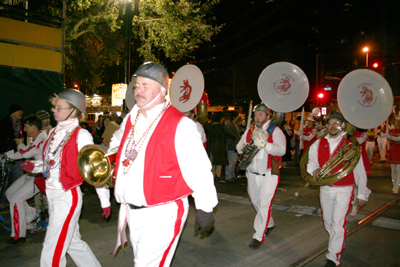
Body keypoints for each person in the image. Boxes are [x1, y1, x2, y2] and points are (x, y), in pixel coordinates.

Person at [108, 62, 218, 267]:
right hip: (132, 210)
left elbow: (199, 169)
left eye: (145, 85)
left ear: (162, 89)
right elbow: (115, 145)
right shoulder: (131, 118)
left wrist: (205, 207)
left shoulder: (180, 124)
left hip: (163, 212)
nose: (138, 90)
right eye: (136, 85)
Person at [22, 89, 110, 267]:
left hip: (67, 196)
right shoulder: (54, 132)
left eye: (59, 108)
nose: (53, 111)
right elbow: (52, 163)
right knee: (71, 242)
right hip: (52, 194)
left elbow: (95, 170)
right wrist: (36, 166)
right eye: (54, 107)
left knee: (52, 247)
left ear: (74, 110)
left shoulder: (82, 135)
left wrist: (105, 200)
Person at [306, 111, 371, 267]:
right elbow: (311, 161)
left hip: (344, 189)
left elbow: (359, 170)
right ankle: (338, 240)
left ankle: (333, 257)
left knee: (337, 223)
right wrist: (314, 170)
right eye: (330, 123)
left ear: (342, 125)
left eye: (336, 123)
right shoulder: (319, 142)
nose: (332, 126)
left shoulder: (351, 144)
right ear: (326, 125)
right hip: (325, 188)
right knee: (328, 223)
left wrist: (362, 193)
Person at [236, 103, 286, 249]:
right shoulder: (250, 130)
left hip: (269, 174)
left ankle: (258, 236)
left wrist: (266, 145)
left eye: (260, 114)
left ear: (268, 116)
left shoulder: (275, 131)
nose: (257, 117)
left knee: (264, 204)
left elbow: (282, 150)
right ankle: (269, 223)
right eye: (256, 114)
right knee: (256, 202)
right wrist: (243, 146)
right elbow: (239, 147)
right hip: (252, 173)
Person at [2, 114, 47, 244]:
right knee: (10, 194)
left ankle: (18, 235)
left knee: (16, 199)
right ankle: (31, 214)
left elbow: (26, 152)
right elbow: (24, 151)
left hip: (40, 176)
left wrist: (20, 144)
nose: (25, 129)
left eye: (26, 127)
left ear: (33, 126)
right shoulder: (34, 139)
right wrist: (6, 155)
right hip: (32, 174)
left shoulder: (42, 139)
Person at [0, 104, 25, 207]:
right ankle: (3, 201)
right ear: (14, 112)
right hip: (6, 154)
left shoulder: (22, 123)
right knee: (4, 179)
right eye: (20, 111)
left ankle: (15, 199)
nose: (22, 113)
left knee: (18, 177)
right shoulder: (4, 123)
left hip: (18, 154)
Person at [207, 112, 235, 183]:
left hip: (211, 145)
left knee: (212, 161)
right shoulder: (219, 126)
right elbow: (226, 134)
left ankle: (212, 176)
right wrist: (234, 137)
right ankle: (218, 176)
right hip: (220, 146)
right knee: (219, 163)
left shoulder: (209, 125)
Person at [381, 115, 400, 194]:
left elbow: (398, 139)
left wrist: (387, 136)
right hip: (393, 150)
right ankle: (394, 185)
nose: (398, 124)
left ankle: (397, 186)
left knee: (398, 171)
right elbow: (390, 140)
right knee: (393, 170)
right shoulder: (392, 130)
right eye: (397, 122)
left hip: (399, 150)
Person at [224, 111, 241, 182]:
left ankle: (231, 175)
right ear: (234, 117)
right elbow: (231, 137)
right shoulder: (230, 125)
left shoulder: (232, 124)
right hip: (231, 146)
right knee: (231, 161)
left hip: (233, 146)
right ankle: (228, 176)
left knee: (232, 161)